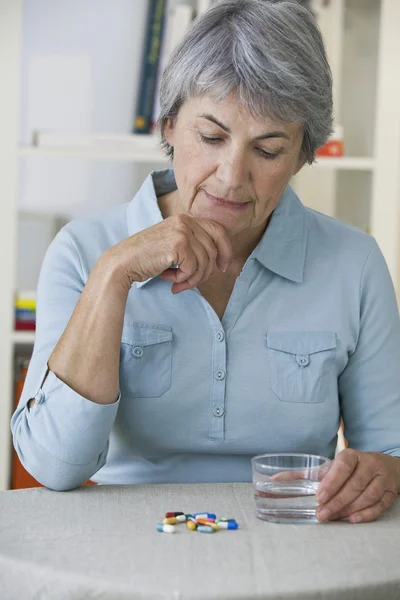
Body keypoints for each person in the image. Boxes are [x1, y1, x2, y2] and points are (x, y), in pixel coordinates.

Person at [11, 0, 400, 524]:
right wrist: (115, 273)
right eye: (211, 137)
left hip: (294, 537)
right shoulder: (83, 251)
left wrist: (381, 473)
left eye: (268, 150)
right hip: (124, 546)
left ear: (304, 155)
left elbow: (389, 452)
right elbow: (53, 466)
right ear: (168, 125)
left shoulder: (354, 263)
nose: (232, 176)